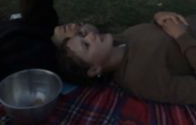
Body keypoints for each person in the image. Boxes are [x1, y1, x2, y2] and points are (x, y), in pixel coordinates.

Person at [53, 12, 196, 105]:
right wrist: (182, 37)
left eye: (82, 35)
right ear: (94, 69)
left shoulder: (122, 38)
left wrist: (158, 19)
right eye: (86, 45)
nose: (90, 36)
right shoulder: (140, 78)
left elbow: (154, 38)